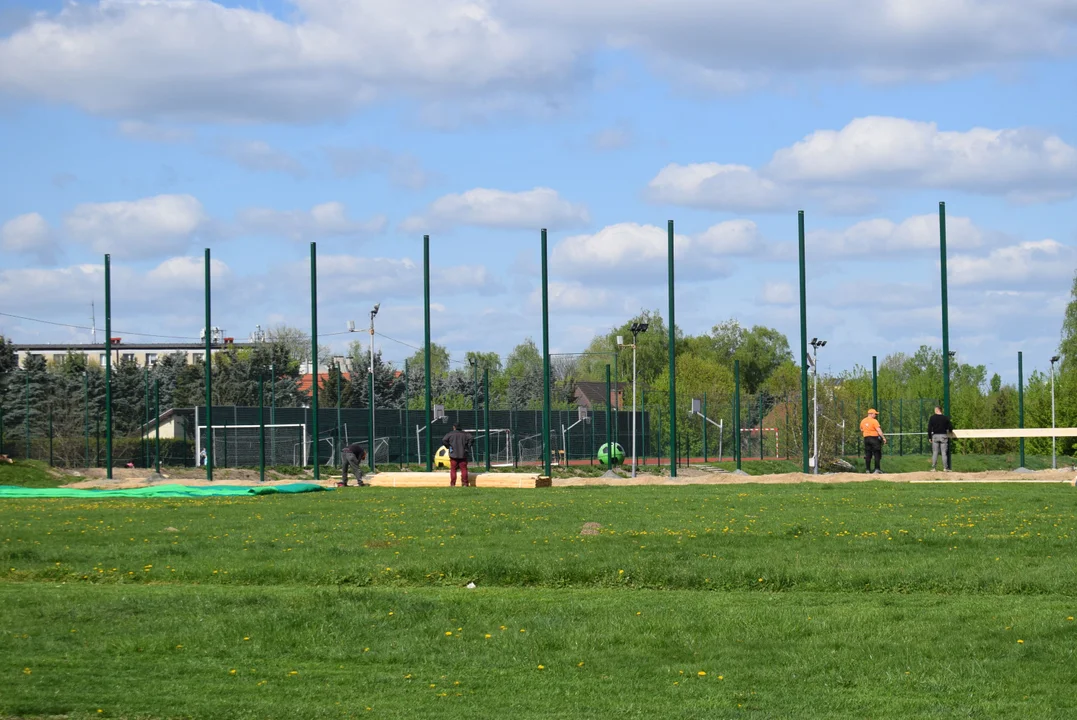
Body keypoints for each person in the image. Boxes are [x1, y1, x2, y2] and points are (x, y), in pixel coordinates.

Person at [860, 408, 887, 474]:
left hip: (866, 439)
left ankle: (867, 470)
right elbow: (879, 430)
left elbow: (861, 429)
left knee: (868, 454)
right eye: (875, 414)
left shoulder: (863, 421)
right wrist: (883, 438)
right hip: (874, 438)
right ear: (871, 414)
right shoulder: (874, 421)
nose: (876, 415)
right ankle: (877, 469)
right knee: (877, 453)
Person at [927, 405, 953, 472]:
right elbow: (950, 426)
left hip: (935, 436)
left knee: (935, 452)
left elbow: (929, 428)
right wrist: (950, 431)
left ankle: (934, 468)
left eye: (935, 410)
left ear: (937, 410)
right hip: (943, 436)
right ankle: (945, 468)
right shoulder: (945, 418)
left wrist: (929, 437)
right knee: (944, 452)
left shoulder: (932, 418)